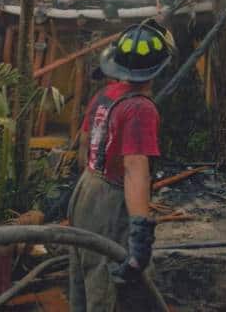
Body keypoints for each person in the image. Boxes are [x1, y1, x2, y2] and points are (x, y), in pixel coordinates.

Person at [70, 19, 175, 311]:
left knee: (86, 276)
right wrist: (140, 232)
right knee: (109, 287)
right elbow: (135, 169)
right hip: (112, 201)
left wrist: (89, 190)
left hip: (87, 188)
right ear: (158, 68)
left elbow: (83, 144)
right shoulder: (140, 108)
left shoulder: (105, 94)